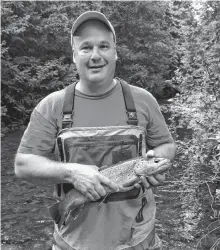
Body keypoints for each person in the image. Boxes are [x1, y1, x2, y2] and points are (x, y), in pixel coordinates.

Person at [14, 11, 176, 250]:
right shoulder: (52, 106)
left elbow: (167, 146)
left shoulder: (143, 100)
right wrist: (70, 173)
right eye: (86, 47)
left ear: (115, 52)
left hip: (138, 239)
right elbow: (22, 165)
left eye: (104, 46)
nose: (96, 55)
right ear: (74, 56)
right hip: (74, 242)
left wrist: (156, 161)